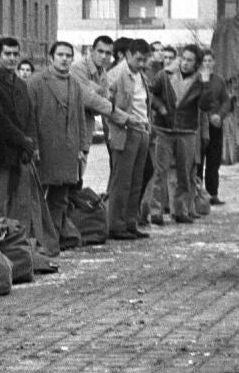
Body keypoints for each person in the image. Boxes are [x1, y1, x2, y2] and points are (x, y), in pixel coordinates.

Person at [145, 44, 213, 225]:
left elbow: (206, 106)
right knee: (160, 172)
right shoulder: (165, 75)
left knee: (184, 173)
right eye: (183, 58)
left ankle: (180, 210)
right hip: (164, 130)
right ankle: (156, 211)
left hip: (187, 131)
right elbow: (149, 92)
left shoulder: (200, 80)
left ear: (197, 63)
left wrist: (206, 84)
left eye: (190, 60)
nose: (185, 63)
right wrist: (160, 107)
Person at [29, 42, 86, 249]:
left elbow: (80, 117)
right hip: (44, 150)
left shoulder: (75, 84)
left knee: (60, 198)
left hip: (68, 150)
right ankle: (35, 240)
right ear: (51, 57)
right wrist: (33, 146)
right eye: (60, 54)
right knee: (38, 197)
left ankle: (52, 240)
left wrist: (82, 147)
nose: (64, 59)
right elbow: (30, 118)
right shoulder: (36, 82)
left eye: (68, 55)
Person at [0, 37, 37, 226]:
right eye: (8, 54)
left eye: (15, 54)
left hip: (20, 153)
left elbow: (29, 116)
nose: (12, 58)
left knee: (20, 204)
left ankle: (16, 245)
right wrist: (24, 141)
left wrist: (30, 144)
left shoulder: (21, 84)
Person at [104, 38, 154, 240]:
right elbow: (106, 105)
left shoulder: (141, 76)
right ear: (128, 55)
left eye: (145, 60)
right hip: (125, 132)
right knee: (122, 181)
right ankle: (116, 225)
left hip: (142, 131)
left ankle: (130, 222)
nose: (142, 64)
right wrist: (122, 121)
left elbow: (144, 103)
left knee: (136, 180)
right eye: (139, 59)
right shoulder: (115, 75)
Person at [70, 35, 115, 181]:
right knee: (71, 172)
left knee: (80, 170)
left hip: (87, 124)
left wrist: (98, 101)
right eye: (100, 51)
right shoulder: (79, 68)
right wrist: (115, 111)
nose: (103, 56)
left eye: (108, 53)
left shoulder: (102, 74)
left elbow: (100, 103)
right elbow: (87, 99)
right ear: (91, 50)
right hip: (73, 124)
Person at [196, 50, 230, 205]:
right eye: (204, 61)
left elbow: (226, 101)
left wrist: (220, 115)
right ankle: (196, 194)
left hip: (215, 125)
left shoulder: (219, 81)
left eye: (210, 60)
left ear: (214, 62)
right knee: (197, 161)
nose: (207, 64)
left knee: (214, 160)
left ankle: (212, 193)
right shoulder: (196, 80)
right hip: (199, 126)